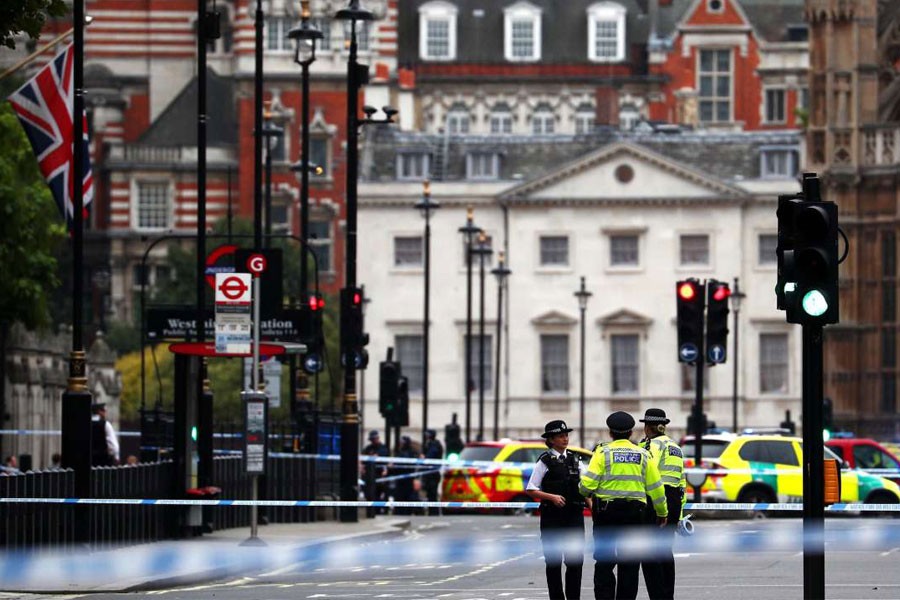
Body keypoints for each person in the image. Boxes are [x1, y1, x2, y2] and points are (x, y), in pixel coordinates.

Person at [579, 411, 668, 600]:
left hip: (606, 515)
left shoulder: (602, 453)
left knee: (604, 563)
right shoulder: (643, 454)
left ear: (610, 433)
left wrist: (584, 492)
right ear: (631, 433)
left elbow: (587, 486)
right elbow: (656, 489)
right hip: (634, 516)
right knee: (629, 565)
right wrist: (662, 513)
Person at [527, 420, 590, 600]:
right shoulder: (544, 461)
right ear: (551, 440)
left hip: (573, 517)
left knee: (575, 562)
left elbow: (584, 487)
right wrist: (551, 497)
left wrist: (592, 505)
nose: (565, 439)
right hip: (552, 518)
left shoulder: (576, 460)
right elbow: (531, 489)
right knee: (553, 563)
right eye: (561, 436)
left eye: (566, 435)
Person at [638, 408, 686, 600]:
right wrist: (680, 515)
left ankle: (657, 596)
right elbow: (682, 482)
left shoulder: (652, 446)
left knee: (649, 554)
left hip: (655, 499)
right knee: (665, 551)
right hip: (674, 498)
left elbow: (648, 473)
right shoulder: (675, 447)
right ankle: (667, 596)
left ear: (648, 427)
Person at [362, 430, 389, 515]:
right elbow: (363, 459)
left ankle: (382, 510)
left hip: (380, 474)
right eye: (371, 439)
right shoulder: (368, 448)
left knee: (381, 493)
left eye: (374, 439)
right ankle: (372, 511)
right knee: (370, 494)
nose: (373, 441)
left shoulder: (383, 448)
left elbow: (383, 460)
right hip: (369, 475)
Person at [422, 429, 444, 515]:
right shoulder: (429, 444)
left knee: (432, 493)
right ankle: (432, 511)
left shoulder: (434, 445)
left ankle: (434, 512)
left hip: (433, 473)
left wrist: (425, 457)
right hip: (429, 473)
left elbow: (431, 456)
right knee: (430, 494)